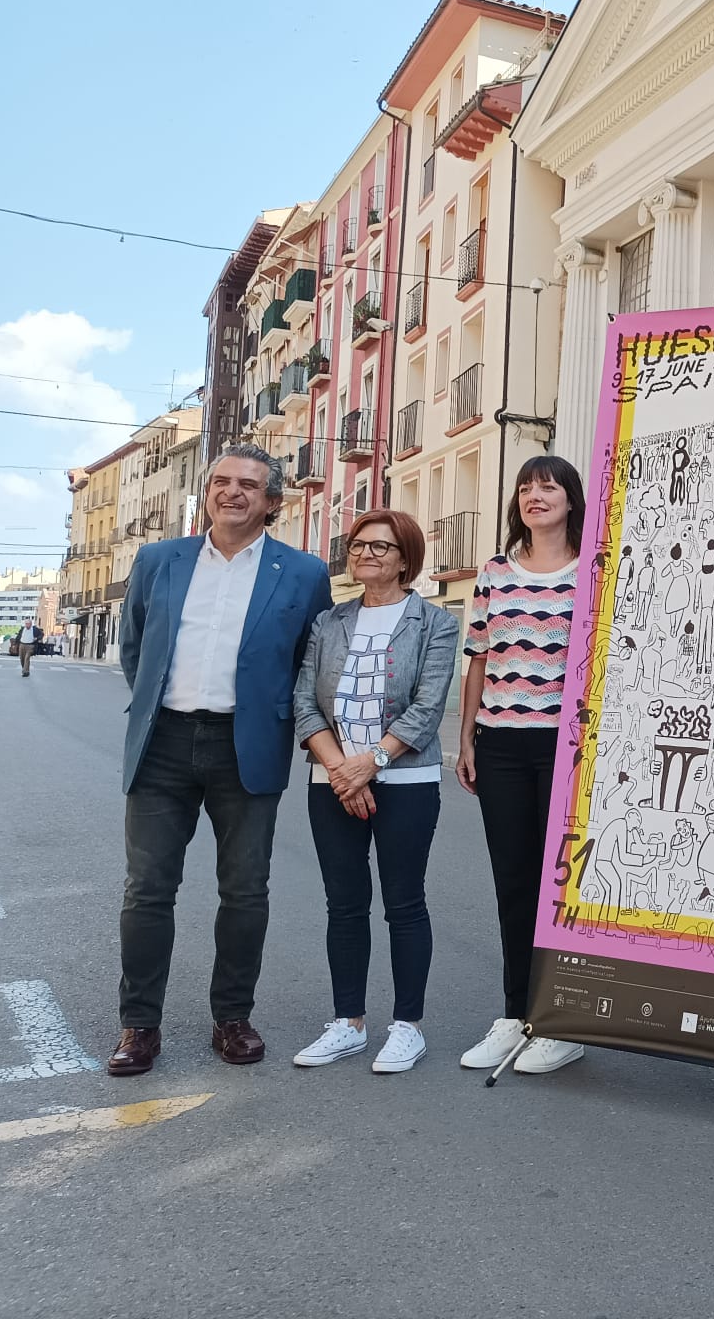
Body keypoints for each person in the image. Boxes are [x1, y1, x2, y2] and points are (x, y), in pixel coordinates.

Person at [108, 445, 332, 1075]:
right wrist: (162, 704)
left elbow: (305, 666)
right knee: (148, 890)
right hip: (163, 744)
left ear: (272, 502)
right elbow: (135, 650)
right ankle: (138, 1026)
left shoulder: (304, 573)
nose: (231, 492)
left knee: (244, 890)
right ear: (206, 492)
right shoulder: (158, 561)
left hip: (248, 745)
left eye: (248, 485)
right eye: (221, 482)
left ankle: (232, 1018)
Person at [289, 510, 458, 1074]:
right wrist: (341, 769)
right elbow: (304, 702)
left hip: (405, 780)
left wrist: (374, 762)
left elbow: (429, 706)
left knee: (404, 903)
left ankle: (407, 1026)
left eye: (380, 547)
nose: (365, 554)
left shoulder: (434, 622)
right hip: (332, 779)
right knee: (345, 903)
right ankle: (348, 1023)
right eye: (359, 545)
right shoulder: (328, 622)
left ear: (405, 558)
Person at [454, 456, 589, 1075]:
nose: (536, 496)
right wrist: (467, 740)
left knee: (561, 887)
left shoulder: (594, 568)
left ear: (571, 499)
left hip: (568, 749)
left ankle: (562, 1021)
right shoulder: (493, 573)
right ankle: (515, 1015)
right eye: (527, 487)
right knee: (513, 882)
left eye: (549, 486)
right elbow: (478, 660)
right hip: (502, 744)